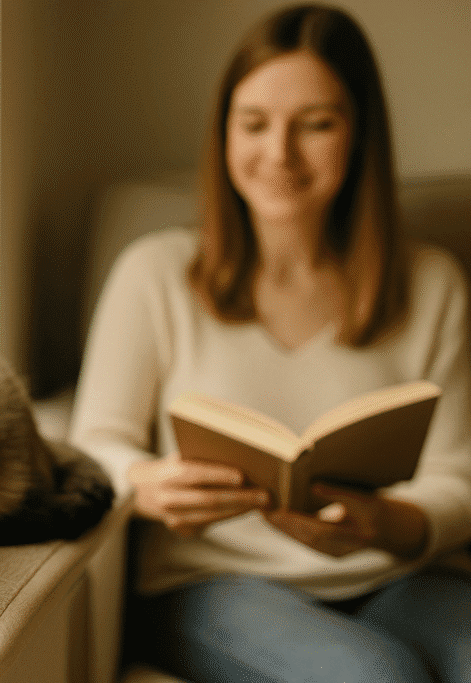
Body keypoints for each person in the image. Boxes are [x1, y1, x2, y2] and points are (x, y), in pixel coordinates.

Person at [69, 4, 471, 682]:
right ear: (224, 132)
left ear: (360, 134)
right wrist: (148, 483)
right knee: (378, 677)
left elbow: (458, 478)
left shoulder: (432, 284)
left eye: (315, 124)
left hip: (396, 574)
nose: (279, 153)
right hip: (212, 581)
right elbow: (92, 446)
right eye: (254, 123)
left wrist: (381, 522)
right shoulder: (155, 273)